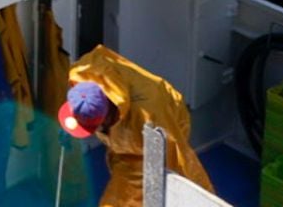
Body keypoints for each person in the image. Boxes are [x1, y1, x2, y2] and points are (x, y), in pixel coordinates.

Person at [59, 44, 214, 207]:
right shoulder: (83, 73)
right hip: (124, 136)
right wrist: (69, 128)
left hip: (160, 133)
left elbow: (179, 160)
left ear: (105, 119)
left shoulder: (150, 120)